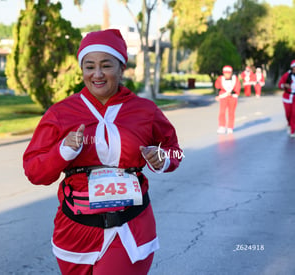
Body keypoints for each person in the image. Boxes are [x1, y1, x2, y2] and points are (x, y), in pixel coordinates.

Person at [23, 29, 183, 275]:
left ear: (121, 68)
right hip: (75, 232)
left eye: (106, 65)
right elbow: (34, 171)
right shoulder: (60, 113)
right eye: (89, 66)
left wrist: (162, 159)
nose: (97, 74)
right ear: (82, 70)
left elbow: (175, 153)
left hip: (130, 229)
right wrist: (63, 151)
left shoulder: (145, 111)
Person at [215, 65, 241, 134]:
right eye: (225, 73)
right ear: (223, 73)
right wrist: (217, 95)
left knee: (231, 112)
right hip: (224, 96)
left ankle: (230, 127)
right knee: (222, 112)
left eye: (228, 73)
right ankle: (222, 127)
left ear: (231, 73)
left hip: (232, 97)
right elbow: (217, 86)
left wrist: (232, 92)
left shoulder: (235, 79)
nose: (227, 74)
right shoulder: (220, 79)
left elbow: (238, 88)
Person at [278, 60, 295, 138]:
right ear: (292, 68)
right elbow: (279, 85)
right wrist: (285, 85)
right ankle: (289, 124)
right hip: (287, 97)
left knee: (294, 114)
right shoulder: (287, 75)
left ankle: (293, 130)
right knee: (288, 114)